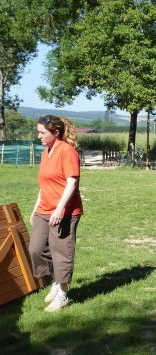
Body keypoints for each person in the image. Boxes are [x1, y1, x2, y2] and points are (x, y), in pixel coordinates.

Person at [29, 115, 83, 312]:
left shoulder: (67, 151)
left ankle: (62, 293)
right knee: (36, 249)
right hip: (44, 209)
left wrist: (60, 208)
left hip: (65, 210)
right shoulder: (46, 152)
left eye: (42, 133)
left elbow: (72, 182)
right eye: (39, 132)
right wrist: (36, 208)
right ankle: (54, 280)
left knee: (61, 252)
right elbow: (44, 184)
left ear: (56, 133)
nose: (39, 136)